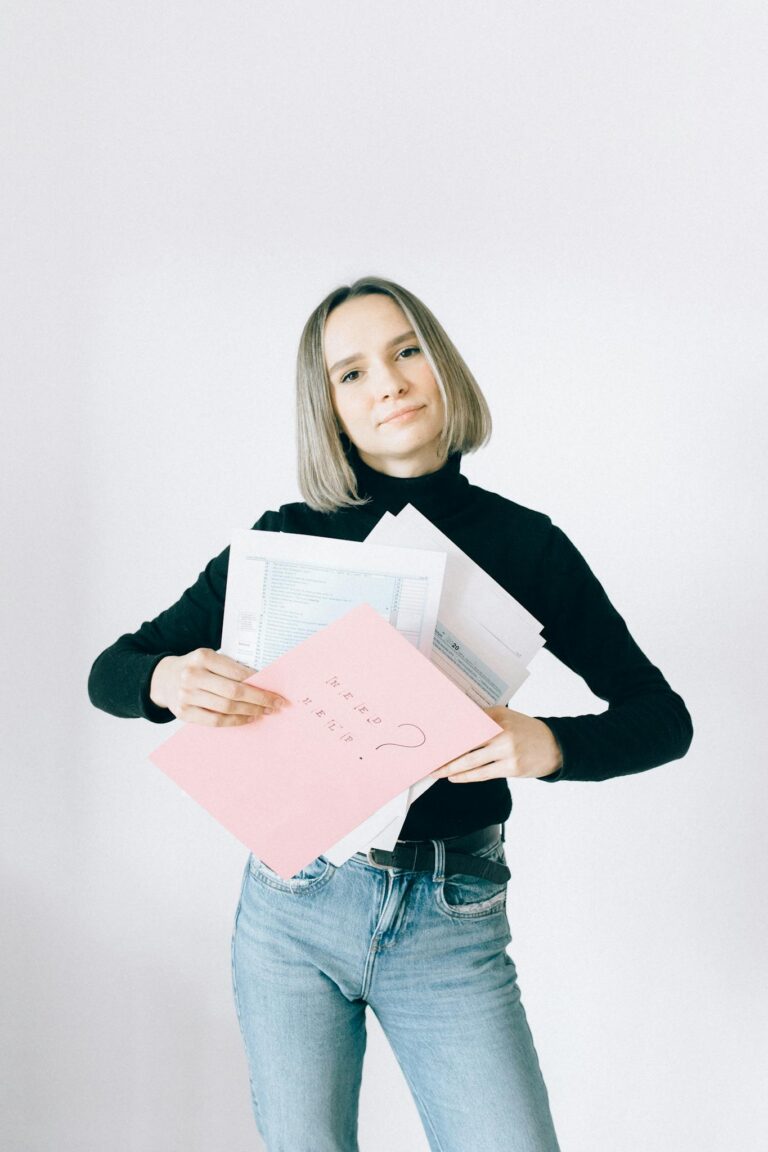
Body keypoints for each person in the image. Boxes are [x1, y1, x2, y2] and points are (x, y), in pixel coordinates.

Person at [88, 276, 693, 1152]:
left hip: (453, 918)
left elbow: (661, 718)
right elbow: (113, 670)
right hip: (292, 907)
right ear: (328, 408)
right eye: (352, 373)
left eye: (407, 351)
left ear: (442, 365)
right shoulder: (285, 534)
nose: (389, 384)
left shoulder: (531, 546)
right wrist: (168, 681)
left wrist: (547, 745)